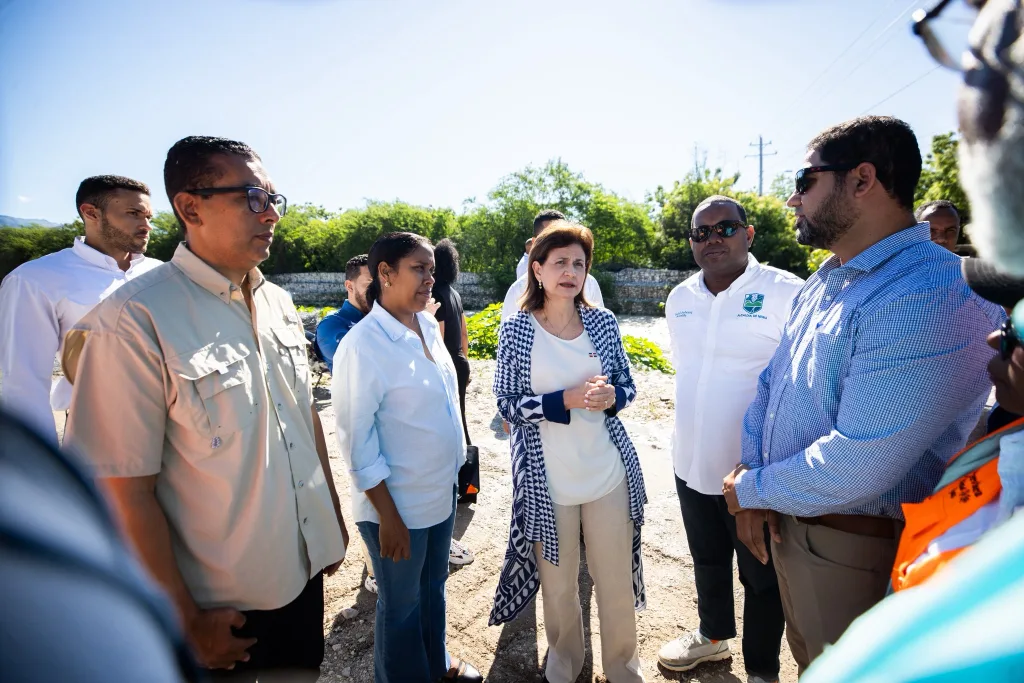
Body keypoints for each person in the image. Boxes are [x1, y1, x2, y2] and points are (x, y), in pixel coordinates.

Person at [721, 116, 1002, 674]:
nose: (792, 198)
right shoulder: (829, 278)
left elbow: (858, 463)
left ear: (862, 179)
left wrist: (750, 488)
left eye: (804, 181)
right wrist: (754, 483)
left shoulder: (931, 290)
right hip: (794, 520)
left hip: (854, 548)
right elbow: (772, 384)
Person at [62, 136, 348, 681]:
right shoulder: (133, 320)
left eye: (273, 199)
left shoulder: (278, 302)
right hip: (220, 604)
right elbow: (122, 488)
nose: (271, 215)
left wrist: (329, 517)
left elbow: (303, 416)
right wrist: (185, 619)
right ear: (190, 207)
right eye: (253, 198)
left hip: (300, 568)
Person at [489, 220, 647, 683]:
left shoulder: (603, 322)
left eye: (579, 264)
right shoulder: (516, 330)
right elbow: (507, 405)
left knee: (614, 582)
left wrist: (612, 396)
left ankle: (623, 670)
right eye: (560, 262)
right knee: (558, 588)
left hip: (606, 473)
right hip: (548, 480)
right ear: (537, 269)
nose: (570, 272)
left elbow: (628, 385)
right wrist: (566, 400)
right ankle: (563, 665)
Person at [658, 196, 803, 683]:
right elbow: (689, 372)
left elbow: (799, 391)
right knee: (707, 560)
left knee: (761, 576)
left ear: (749, 233)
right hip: (691, 462)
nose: (712, 239)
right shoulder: (680, 298)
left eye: (724, 228)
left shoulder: (787, 292)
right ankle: (713, 637)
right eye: (701, 233)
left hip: (754, 474)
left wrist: (766, 474)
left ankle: (762, 669)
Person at [332, 232, 482, 683]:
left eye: (432, 269)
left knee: (433, 590)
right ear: (385, 273)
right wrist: (389, 517)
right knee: (401, 606)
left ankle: (435, 666)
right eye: (419, 268)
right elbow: (356, 441)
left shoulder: (427, 327)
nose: (430, 279)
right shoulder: (363, 345)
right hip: (397, 508)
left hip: (437, 495)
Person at [0, 175, 162, 441]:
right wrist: (42, 463)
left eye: (148, 217)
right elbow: (24, 384)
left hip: (179, 431)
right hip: (98, 433)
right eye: (134, 214)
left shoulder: (162, 273)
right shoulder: (35, 279)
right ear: (91, 213)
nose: (146, 226)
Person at [501, 209, 604, 321]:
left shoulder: (590, 284)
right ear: (534, 243)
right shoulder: (517, 292)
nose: (570, 273)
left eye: (563, 236)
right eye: (549, 238)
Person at [316, 254, 372, 373]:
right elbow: (361, 362)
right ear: (350, 286)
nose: (377, 291)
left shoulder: (389, 319)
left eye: (381, 284)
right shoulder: (331, 325)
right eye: (370, 284)